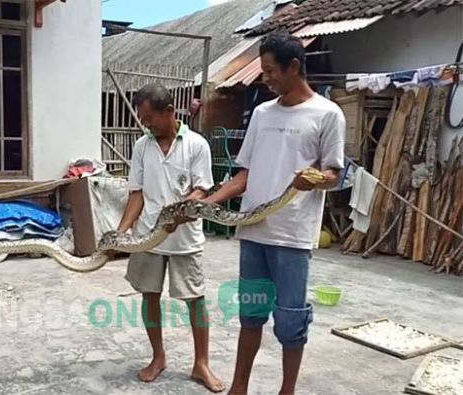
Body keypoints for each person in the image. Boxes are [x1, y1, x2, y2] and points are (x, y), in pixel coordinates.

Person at [203, 32, 345, 395]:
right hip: (253, 232)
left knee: (290, 322)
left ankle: (287, 391)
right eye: (263, 70)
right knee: (250, 316)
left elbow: (334, 173)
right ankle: (239, 388)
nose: (264, 77)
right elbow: (244, 175)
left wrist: (315, 179)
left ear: (294, 66)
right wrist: (210, 202)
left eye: (269, 70)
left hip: (293, 237)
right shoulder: (262, 114)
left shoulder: (328, 114)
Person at [116, 83, 225, 392]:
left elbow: (202, 189)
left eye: (150, 117)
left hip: (185, 235)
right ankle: (158, 356)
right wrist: (121, 234)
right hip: (148, 236)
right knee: (149, 296)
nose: (146, 123)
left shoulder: (196, 145)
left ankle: (201, 364)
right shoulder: (142, 146)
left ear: (169, 112)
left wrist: (183, 210)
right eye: (142, 118)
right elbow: (136, 194)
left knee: (195, 300)